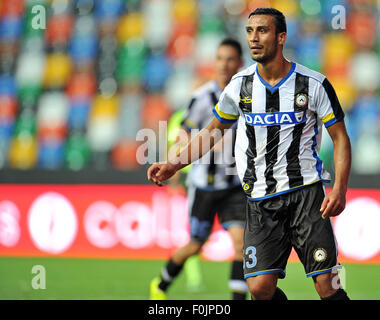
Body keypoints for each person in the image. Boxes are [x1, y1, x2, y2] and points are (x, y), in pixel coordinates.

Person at [148, 8, 351, 300]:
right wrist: (173, 165)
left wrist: (340, 188)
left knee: (327, 284)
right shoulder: (239, 85)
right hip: (259, 199)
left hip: (305, 195)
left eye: (263, 31)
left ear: (281, 37)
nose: (254, 38)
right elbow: (211, 131)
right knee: (259, 289)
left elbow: (340, 137)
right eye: (250, 31)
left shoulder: (313, 84)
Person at [149, 38, 249, 300]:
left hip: (234, 185)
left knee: (241, 243)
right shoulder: (203, 98)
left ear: (240, 63)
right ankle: (160, 285)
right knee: (195, 245)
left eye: (230, 59)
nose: (224, 65)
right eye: (219, 58)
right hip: (204, 186)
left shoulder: (249, 95)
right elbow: (182, 134)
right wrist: (173, 166)